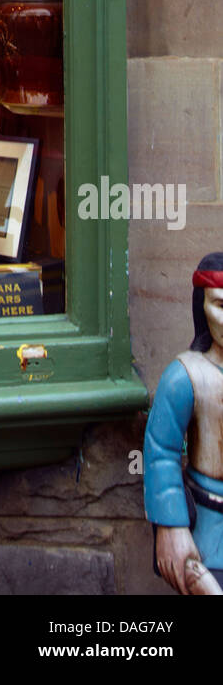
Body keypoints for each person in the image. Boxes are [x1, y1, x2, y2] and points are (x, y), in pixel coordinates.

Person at [143, 252, 223, 595]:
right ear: (201, 309)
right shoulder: (186, 375)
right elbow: (161, 451)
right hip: (209, 528)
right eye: (220, 305)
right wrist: (171, 525)